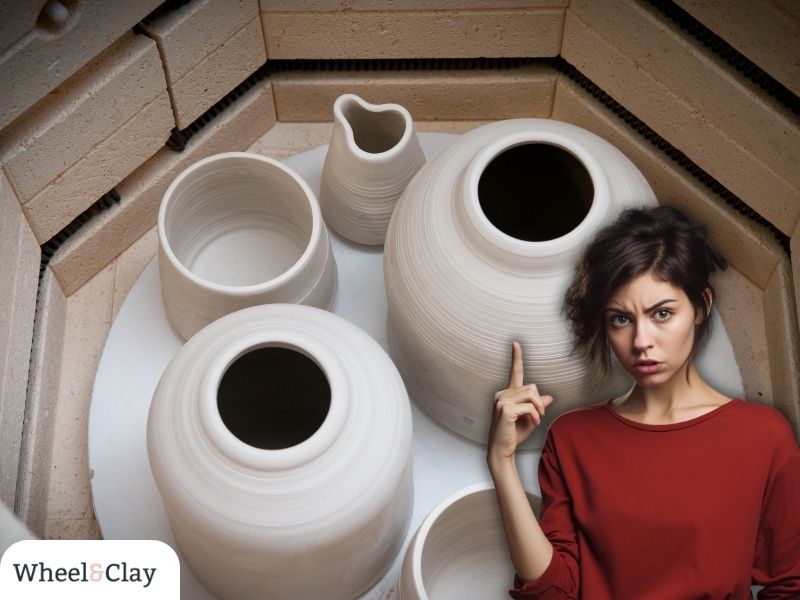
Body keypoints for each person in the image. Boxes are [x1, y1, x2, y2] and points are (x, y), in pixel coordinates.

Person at [487, 206, 800, 599]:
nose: (640, 342)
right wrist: (502, 464)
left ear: (701, 307)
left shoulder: (764, 438)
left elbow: (789, 587)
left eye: (662, 314)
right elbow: (554, 592)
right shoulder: (573, 439)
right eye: (621, 319)